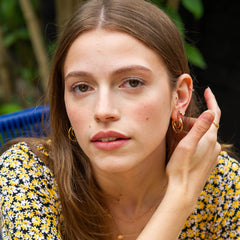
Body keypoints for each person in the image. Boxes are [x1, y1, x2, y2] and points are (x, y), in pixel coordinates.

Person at [0, 0, 239, 239]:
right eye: (82, 87)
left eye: (132, 83)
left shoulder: (220, 186)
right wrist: (180, 198)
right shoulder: (29, 175)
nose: (103, 111)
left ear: (179, 96)